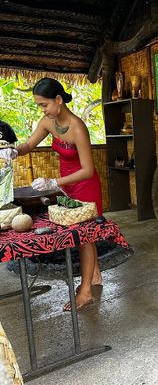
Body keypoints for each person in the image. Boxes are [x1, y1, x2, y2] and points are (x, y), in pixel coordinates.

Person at [15, 77, 103, 311]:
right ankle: (94, 276)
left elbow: (88, 170)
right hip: (67, 186)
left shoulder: (77, 127)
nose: (42, 110)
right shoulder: (48, 122)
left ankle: (86, 292)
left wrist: (53, 182)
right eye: (39, 105)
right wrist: (13, 151)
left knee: (84, 237)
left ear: (58, 100)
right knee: (82, 237)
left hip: (85, 185)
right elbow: (28, 145)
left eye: (44, 104)